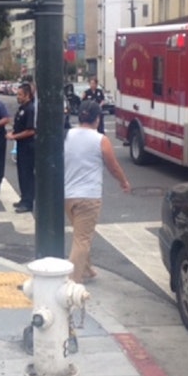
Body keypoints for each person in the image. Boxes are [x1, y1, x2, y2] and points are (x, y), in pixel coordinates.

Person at [64, 100, 130, 284]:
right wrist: (123, 181)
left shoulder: (67, 135)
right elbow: (113, 167)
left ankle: (86, 269)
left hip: (68, 195)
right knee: (82, 239)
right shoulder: (101, 139)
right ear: (98, 119)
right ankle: (72, 281)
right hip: (89, 196)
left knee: (80, 234)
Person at [6, 82, 36, 213]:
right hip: (21, 146)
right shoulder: (22, 108)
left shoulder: (30, 109)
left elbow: (31, 130)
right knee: (22, 174)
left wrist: (14, 136)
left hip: (29, 146)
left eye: (20, 94)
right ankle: (24, 198)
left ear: (27, 95)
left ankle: (28, 202)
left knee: (27, 174)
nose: (17, 97)